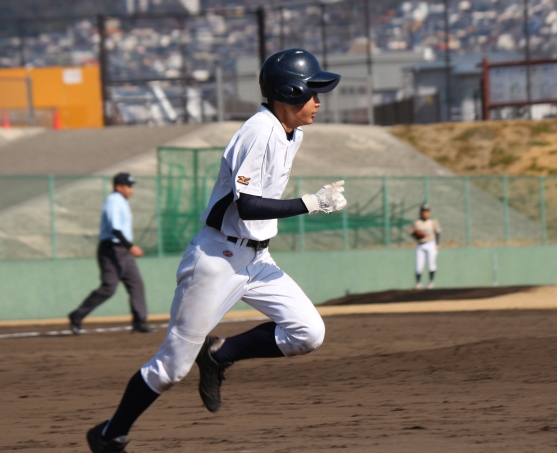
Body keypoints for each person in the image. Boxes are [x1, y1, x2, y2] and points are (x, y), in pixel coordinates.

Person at [85, 49, 346, 453]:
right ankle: (109, 435)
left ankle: (221, 354)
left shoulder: (291, 133)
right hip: (217, 260)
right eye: (311, 91)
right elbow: (249, 205)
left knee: (307, 332)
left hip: (256, 258)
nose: (318, 100)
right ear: (289, 93)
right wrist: (310, 203)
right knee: (172, 368)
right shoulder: (258, 131)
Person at [69, 172, 156, 335]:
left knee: (136, 284)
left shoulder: (121, 201)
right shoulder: (113, 201)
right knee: (109, 287)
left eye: (131, 186)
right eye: (128, 186)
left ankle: (140, 321)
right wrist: (131, 246)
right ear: (118, 186)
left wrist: (127, 247)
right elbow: (115, 229)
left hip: (123, 250)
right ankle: (77, 315)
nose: (131, 189)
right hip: (111, 250)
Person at [411, 204, 441, 289]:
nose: (425, 213)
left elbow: (438, 232)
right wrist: (417, 235)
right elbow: (412, 232)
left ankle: (431, 283)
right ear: (420, 212)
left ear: (429, 212)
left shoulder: (433, 221)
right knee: (418, 265)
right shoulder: (417, 222)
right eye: (423, 211)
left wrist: (437, 244)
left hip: (431, 243)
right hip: (420, 245)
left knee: (431, 264)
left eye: (427, 211)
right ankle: (418, 283)